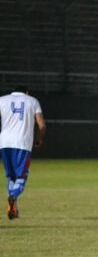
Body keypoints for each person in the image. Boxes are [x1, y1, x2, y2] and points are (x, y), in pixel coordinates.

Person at [0, 86, 46, 219]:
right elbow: (42, 125)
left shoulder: (2, 100)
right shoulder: (32, 101)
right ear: (26, 93)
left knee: (11, 176)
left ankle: (13, 209)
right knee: (21, 177)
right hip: (22, 143)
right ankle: (13, 196)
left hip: (4, 143)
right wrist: (39, 139)